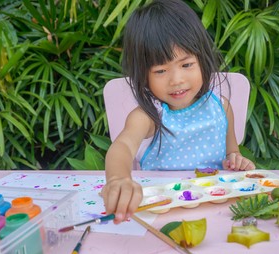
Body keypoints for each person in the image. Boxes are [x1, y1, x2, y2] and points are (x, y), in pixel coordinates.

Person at [101, 0, 255, 224]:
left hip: (216, 211)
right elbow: (122, 146)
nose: (177, 80)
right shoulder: (147, 116)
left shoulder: (221, 107)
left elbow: (231, 158)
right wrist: (118, 179)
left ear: (202, 60)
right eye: (161, 70)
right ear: (143, 75)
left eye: (186, 65)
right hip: (160, 213)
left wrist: (237, 161)